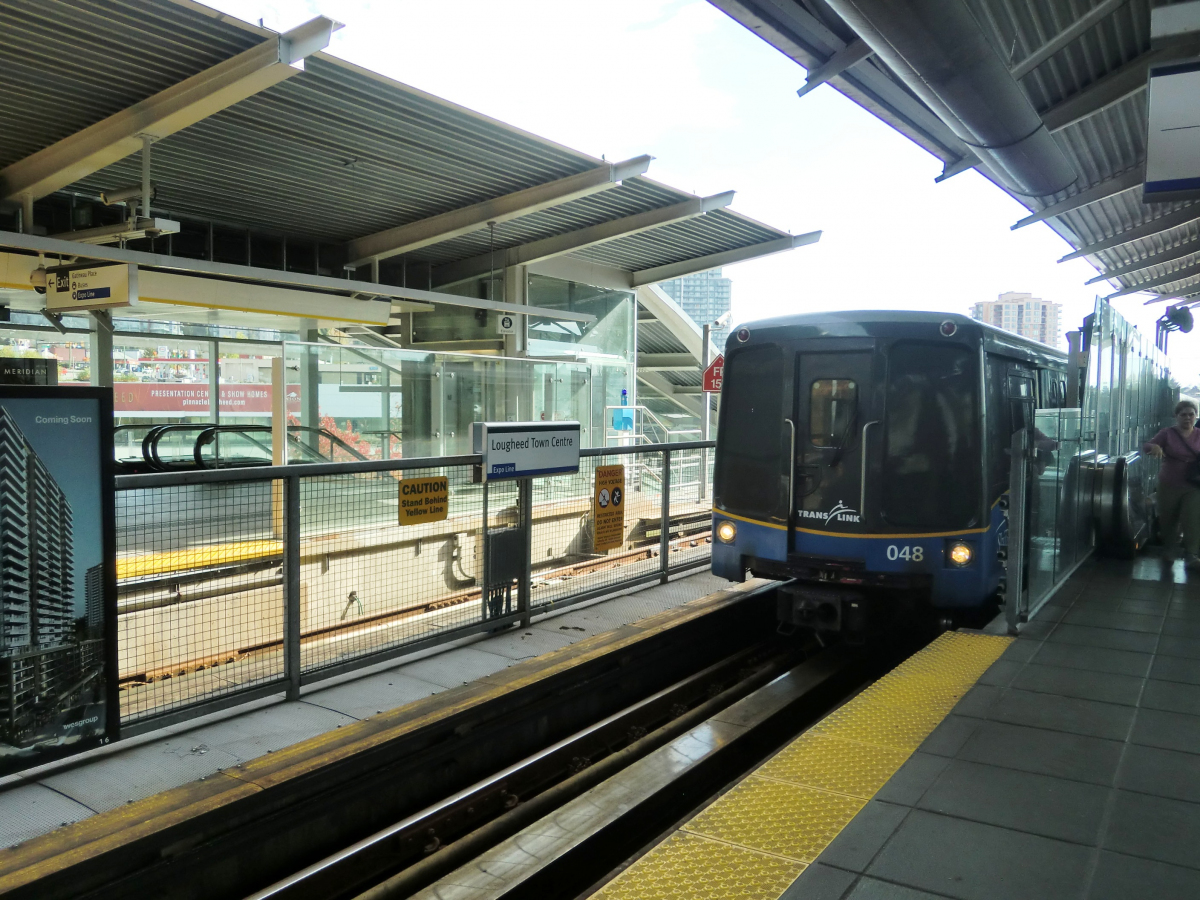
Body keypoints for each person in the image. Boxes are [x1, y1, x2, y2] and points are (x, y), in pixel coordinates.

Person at [1145, 399, 1200, 568]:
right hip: (1169, 483)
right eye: (1183, 414)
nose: (1188, 418)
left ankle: (1191, 554)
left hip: (1194, 485)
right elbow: (1147, 445)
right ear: (1176, 416)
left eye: (1191, 414)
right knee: (1168, 519)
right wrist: (1153, 447)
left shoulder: (1199, 434)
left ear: (1196, 416)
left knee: (1193, 519)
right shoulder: (1167, 433)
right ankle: (1169, 549)